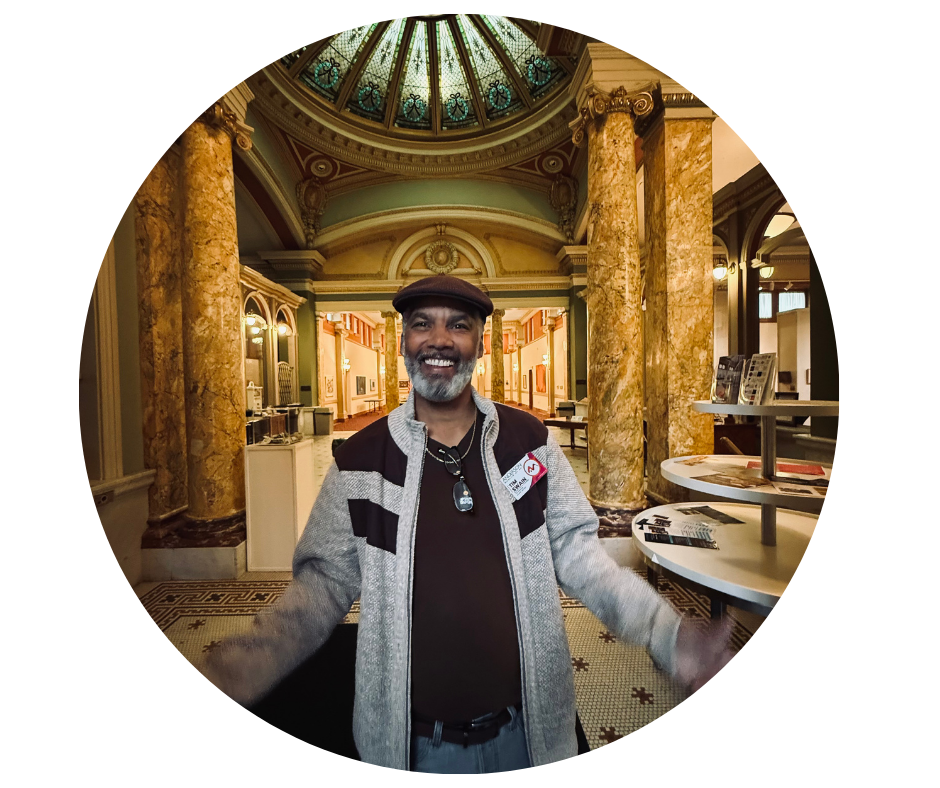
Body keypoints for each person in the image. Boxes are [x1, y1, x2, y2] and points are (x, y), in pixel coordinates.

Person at [204, 275, 733, 773]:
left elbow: (579, 556)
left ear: (482, 343)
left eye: (458, 325)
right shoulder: (361, 462)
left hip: (527, 734)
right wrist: (246, 664)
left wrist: (668, 634)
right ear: (402, 341)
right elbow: (320, 586)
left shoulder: (529, 443)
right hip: (409, 748)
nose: (439, 339)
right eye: (422, 324)